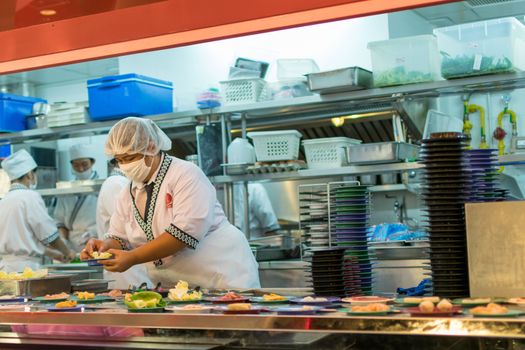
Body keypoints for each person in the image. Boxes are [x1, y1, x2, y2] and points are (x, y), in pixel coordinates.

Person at [81, 117, 260, 289]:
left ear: (151, 147)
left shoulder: (185, 174)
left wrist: (133, 257)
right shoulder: (128, 191)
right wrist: (103, 248)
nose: (124, 166)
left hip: (221, 276)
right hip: (178, 286)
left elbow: (182, 234)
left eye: (129, 158)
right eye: (119, 160)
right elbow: (120, 237)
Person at [0, 150, 75, 271]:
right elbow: (48, 234)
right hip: (26, 270)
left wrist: (54, 254)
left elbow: (24, 241)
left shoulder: (3, 201)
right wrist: (67, 252)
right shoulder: (30, 196)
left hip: (4, 268)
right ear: (30, 174)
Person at [96, 158, 151, 289]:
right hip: (128, 273)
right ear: (118, 159)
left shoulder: (127, 182)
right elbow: (135, 225)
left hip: (134, 266)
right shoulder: (116, 183)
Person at [53, 144, 98, 252]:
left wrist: (94, 232)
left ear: (92, 162)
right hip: (72, 246)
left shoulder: (102, 186)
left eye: (84, 164)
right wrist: (63, 240)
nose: (81, 169)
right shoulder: (66, 189)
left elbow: (111, 219)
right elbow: (60, 221)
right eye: (76, 165)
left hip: (96, 242)